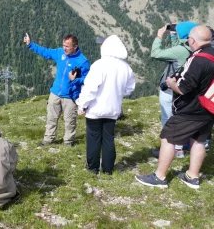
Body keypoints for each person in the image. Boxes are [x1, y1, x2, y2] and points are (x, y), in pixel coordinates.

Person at [136, 26, 214, 189]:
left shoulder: (198, 59)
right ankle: (192, 177)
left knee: (168, 137)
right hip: (209, 107)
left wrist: (172, 83)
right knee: (199, 140)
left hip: (191, 109)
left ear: (192, 41)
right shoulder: (212, 53)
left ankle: (159, 177)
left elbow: (184, 88)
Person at [76, 35, 135, 175]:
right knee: (108, 138)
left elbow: (90, 89)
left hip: (95, 110)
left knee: (93, 138)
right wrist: (117, 93)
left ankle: (93, 168)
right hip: (113, 109)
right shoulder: (126, 68)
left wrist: (82, 105)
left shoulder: (99, 65)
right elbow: (129, 89)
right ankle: (108, 169)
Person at [24, 33, 90, 146]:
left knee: (70, 121)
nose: (64, 48)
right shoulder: (60, 53)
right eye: (63, 45)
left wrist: (75, 80)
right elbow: (45, 52)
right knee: (51, 118)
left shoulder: (83, 61)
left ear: (75, 47)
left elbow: (88, 80)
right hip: (55, 93)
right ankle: (48, 139)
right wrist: (30, 44)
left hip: (71, 96)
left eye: (67, 46)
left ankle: (68, 142)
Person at [150, 21, 197, 158]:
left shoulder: (181, 50)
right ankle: (180, 147)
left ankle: (171, 149)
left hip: (170, 89)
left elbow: (156, 53)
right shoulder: (192, 47)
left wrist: (159, 37)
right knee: (179, 117)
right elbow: (177, 51)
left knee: (167, 118)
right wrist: (173, 37)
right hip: (185, 88)